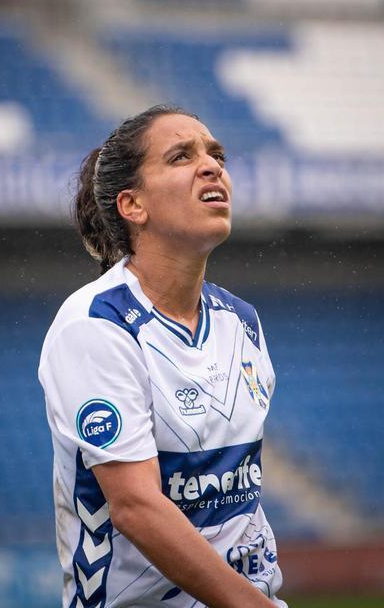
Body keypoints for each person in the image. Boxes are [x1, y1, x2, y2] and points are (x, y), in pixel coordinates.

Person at [38, 105, 284, 608]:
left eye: (217, 155)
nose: (213, 166)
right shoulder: (95, 324)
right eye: (181, 157)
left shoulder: (242, 322)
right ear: (133, 205)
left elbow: (240, 500)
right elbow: (136, 506)